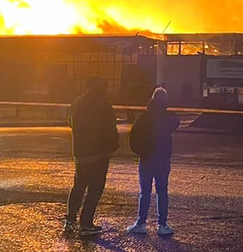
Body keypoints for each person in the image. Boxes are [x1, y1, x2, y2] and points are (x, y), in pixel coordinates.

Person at [65, 77, 118, 237]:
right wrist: (112, 147)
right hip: (98, 153)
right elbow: (110, 129)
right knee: (95, 189)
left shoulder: (78, 102)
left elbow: (70, 122)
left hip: (81, 152)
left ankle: (70, 219)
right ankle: (86, 223)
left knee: (78, 186)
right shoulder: (104, 105)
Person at [127, 87, 180, 236]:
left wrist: (140, 150)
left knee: (145, 192)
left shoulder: (144, 117)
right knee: (162, 192)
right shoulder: (169, 118)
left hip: (146, 158)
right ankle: (162, 224)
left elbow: (134, 137)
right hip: (163, 158)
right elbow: (176, 121)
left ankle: (141, 222)